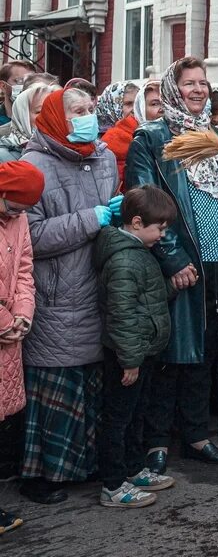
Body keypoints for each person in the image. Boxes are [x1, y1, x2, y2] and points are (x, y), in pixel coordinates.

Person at [125, 57, 218, 474]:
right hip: (178, 265)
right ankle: (156, 442)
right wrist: (173, 257)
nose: (198, 90)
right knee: (170, 354)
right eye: (189, 83)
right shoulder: (152, 137)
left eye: (203, 84)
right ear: (174, 90)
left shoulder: (216, 136)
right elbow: (143, 199)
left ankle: (196, 436)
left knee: (206, 350)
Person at [19, 87, 121, 504]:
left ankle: (84, 465)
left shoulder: (104, 157)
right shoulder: (33, 165)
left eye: (91, 109)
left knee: (90, 383)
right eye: (78, 111)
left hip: (97, 287)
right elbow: (31, 236)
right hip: (57, 292)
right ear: (59, 118)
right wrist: (92, 219)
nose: (88, 116)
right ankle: (43, 474)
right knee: (56, 384)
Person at [95, 185, 178, 508]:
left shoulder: (138, 254)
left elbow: (146, 300)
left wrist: (171, 286)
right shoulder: (125, 261)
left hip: (142, 352)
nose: (162, 235)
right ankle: (113, 485)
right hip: (127, 357)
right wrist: (129, 360)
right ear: (137, 223)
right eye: (160, 228)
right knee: (119, 419)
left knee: (135, 414)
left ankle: (133, 468)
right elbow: (122, 314)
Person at [0, 161, 42, 531]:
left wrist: (23, 315)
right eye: (13, 207)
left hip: (10, 333)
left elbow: (25, 269)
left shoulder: (20, 219)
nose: (18, 214)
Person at [97, 82, 141, 183]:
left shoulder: (141, 132)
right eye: (128, 104)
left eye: (138, 103)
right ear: (111, 105)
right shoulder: (97, 142)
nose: (135, 109)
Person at [0, 83, 55, 163]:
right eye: (39, 111)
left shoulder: (69, 150)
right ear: (22, 116)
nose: (49, 116)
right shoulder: (3, 156)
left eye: (53, 110)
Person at [0, 61, 35, 125]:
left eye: (31, 82)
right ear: (3, 86)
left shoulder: (41, 118)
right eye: (20, 81)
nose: (27, 86)